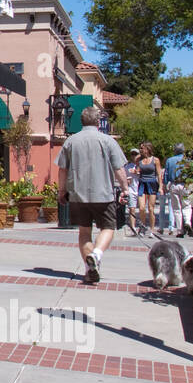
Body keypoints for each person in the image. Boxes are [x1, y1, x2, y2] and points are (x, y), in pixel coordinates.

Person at [57, 105, 128, 284]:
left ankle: (89, 270)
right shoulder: (108, 141)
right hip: (103, 194)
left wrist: (62, 191)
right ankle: (96, 255)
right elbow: (119, 169)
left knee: (84, 232)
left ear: (81, 121)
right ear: (98, 121)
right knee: (108, 228)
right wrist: (125, 189)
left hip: (78, 195)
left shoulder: (71, 141)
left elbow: (62, 170)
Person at [164, 143, 193, 237]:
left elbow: (166, 174)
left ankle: (180, 230)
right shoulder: (187, 160)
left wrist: (165, 185)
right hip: (185, 185)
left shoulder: (169, 160)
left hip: (174, 185)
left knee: (176, 208)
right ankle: (187, 222)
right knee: (186, 205)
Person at [136, 141, 163, 239]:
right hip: (142, 183)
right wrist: (135, 171)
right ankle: (142, 227)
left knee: (151, 208)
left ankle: (152, 229)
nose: (140, 150)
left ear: (147, 149)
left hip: (152, 184)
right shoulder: (139, 159)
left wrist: (160, 187)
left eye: (142, 148)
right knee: (142, 207)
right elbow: (138, 170)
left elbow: (159, 174)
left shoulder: (155, 160)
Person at [123, 148, 141, 236]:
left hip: (141, 189)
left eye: (136, 154)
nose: (134, 156)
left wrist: (138, 173)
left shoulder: (142, 165)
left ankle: (141, 227)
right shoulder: (127, 166)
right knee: (132, 208)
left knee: (142, 209)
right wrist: (127, 180)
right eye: (132, 154)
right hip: (131, 189)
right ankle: (133, 227)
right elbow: (123, 177)